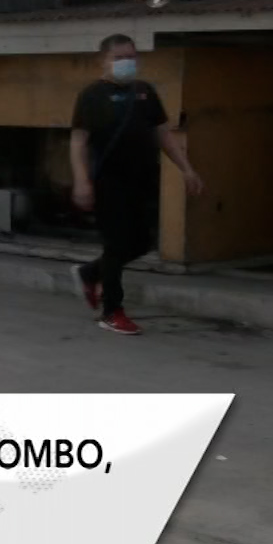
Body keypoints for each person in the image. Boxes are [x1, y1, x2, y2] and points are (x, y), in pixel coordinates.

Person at [69, 35, 205, 336]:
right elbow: (79, 142)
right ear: (102, 60)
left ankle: (90, 272)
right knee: (116, 245)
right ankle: (112, 311)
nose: (126, 63)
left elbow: (163, 134)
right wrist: (81, 181)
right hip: (108, 181)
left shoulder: (145, 92)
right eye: (118, 58)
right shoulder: (92, 95)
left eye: (130, 56)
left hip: (142, 179)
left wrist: (186, 169)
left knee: (142, 242)